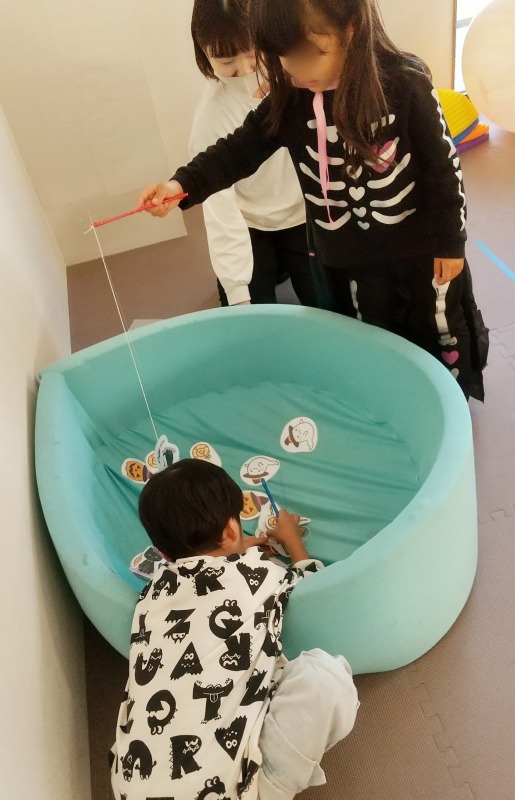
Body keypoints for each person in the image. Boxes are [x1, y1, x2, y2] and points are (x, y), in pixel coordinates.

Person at [138, 0, 488, 400]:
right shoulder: (292, 98)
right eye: (281, 55)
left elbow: (443, 168)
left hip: (419, 252)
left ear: (350, 27)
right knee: (367, 334)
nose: (292, 69)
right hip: (345, 258)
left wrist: (450, 241)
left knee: (435, 326)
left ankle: (445, 401)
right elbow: (237, 150)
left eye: (307, 54)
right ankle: (385, 397)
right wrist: (181, 185)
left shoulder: (406, 85)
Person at [110, 458, 359, 800]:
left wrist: (235, 549)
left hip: (133, 788)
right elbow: (315, 589)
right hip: (235, 790)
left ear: (164, 554)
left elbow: (204, 582)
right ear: (230, 530)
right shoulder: (260, 574)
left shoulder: (150, 596)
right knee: (325, 675)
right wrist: (292, 543)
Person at [189, 0, 318, 307]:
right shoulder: (210, 118)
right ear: (203, 53)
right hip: (251, 225)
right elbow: (220, 211)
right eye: (226, 60)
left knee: (327, 304)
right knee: (246, 309)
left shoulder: (300, 84)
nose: (245, 70)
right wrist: (237, 290)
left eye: (252, 53)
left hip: (305, 213)